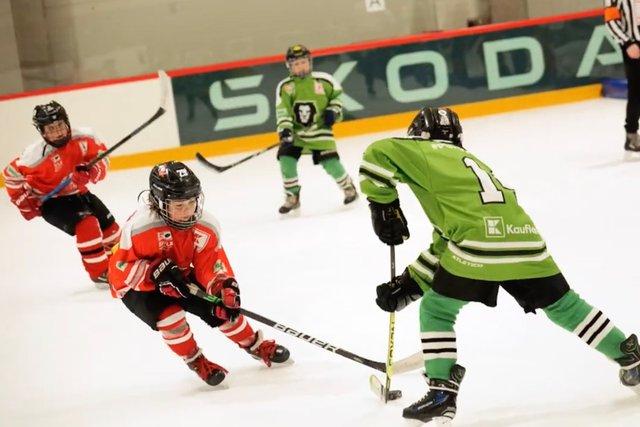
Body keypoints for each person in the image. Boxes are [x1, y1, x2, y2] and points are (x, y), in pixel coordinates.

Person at [359, 106, 640, 424]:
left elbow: (376, 152)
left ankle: (441, 392)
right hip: (526, 241)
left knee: (437, 309)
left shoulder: (420, 150)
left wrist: (383, 205)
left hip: (480, 242)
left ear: (419, 135)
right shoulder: (472, 164)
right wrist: (412, 283)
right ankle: (629, 356)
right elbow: (447, 240)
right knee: (566, 306)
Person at [108, 161, 290, 386]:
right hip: (137, 287)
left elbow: (209, 264)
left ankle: (254, 344)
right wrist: (154, 274)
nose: (187, 211)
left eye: (192, 202)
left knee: (222, 308)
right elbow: (120, 270)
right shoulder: (140, 228)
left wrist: (223, 286)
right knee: (171, 318)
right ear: (159, 202)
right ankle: (195, 360)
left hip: (179, 275)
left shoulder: (205, 224)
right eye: (179, 205)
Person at [2, 100, 120, 288]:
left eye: (59, 126)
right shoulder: (34, 156)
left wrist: (91, 172)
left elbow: (103, 159)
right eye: (50, 129)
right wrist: (24, 201)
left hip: (79, 192)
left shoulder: (85, 138)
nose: (57, 132)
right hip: (51, 201)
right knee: (87, 224)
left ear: (67, 122)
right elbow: (10, 175)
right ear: (42, 132)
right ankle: (100, 272)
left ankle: (120, 263)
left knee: (111, 229)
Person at [275, 44, 358, 214]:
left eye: (303, 62)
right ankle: (292, 196)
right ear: (289, 66)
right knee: (286, 159)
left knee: (330, 163)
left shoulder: (324, 81)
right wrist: (285, 129)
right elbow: (282, 111)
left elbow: (337, 99)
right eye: (296, 64)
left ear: (310, 62)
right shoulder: (286, 87)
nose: (301, 66)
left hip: (320, 130)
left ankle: (348, 187)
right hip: (296, 133)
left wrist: (332, 112)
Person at [604, 1, 640, 154]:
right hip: (633, 44)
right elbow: (611, 21)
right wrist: (627, 43)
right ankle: (631, 134)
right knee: (637, 90)